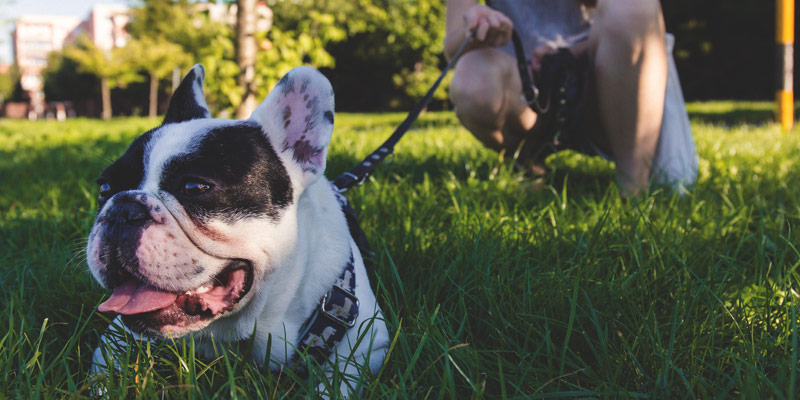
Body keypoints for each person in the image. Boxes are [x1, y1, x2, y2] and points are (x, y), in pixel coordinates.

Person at [444, 0, 698, 196]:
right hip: (526, 86)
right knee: (472, 79)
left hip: (602, 78)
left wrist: (564, 55)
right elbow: (451, 48)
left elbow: (636, 20)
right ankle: (528, 160)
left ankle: (633, 190)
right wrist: (475, 24)